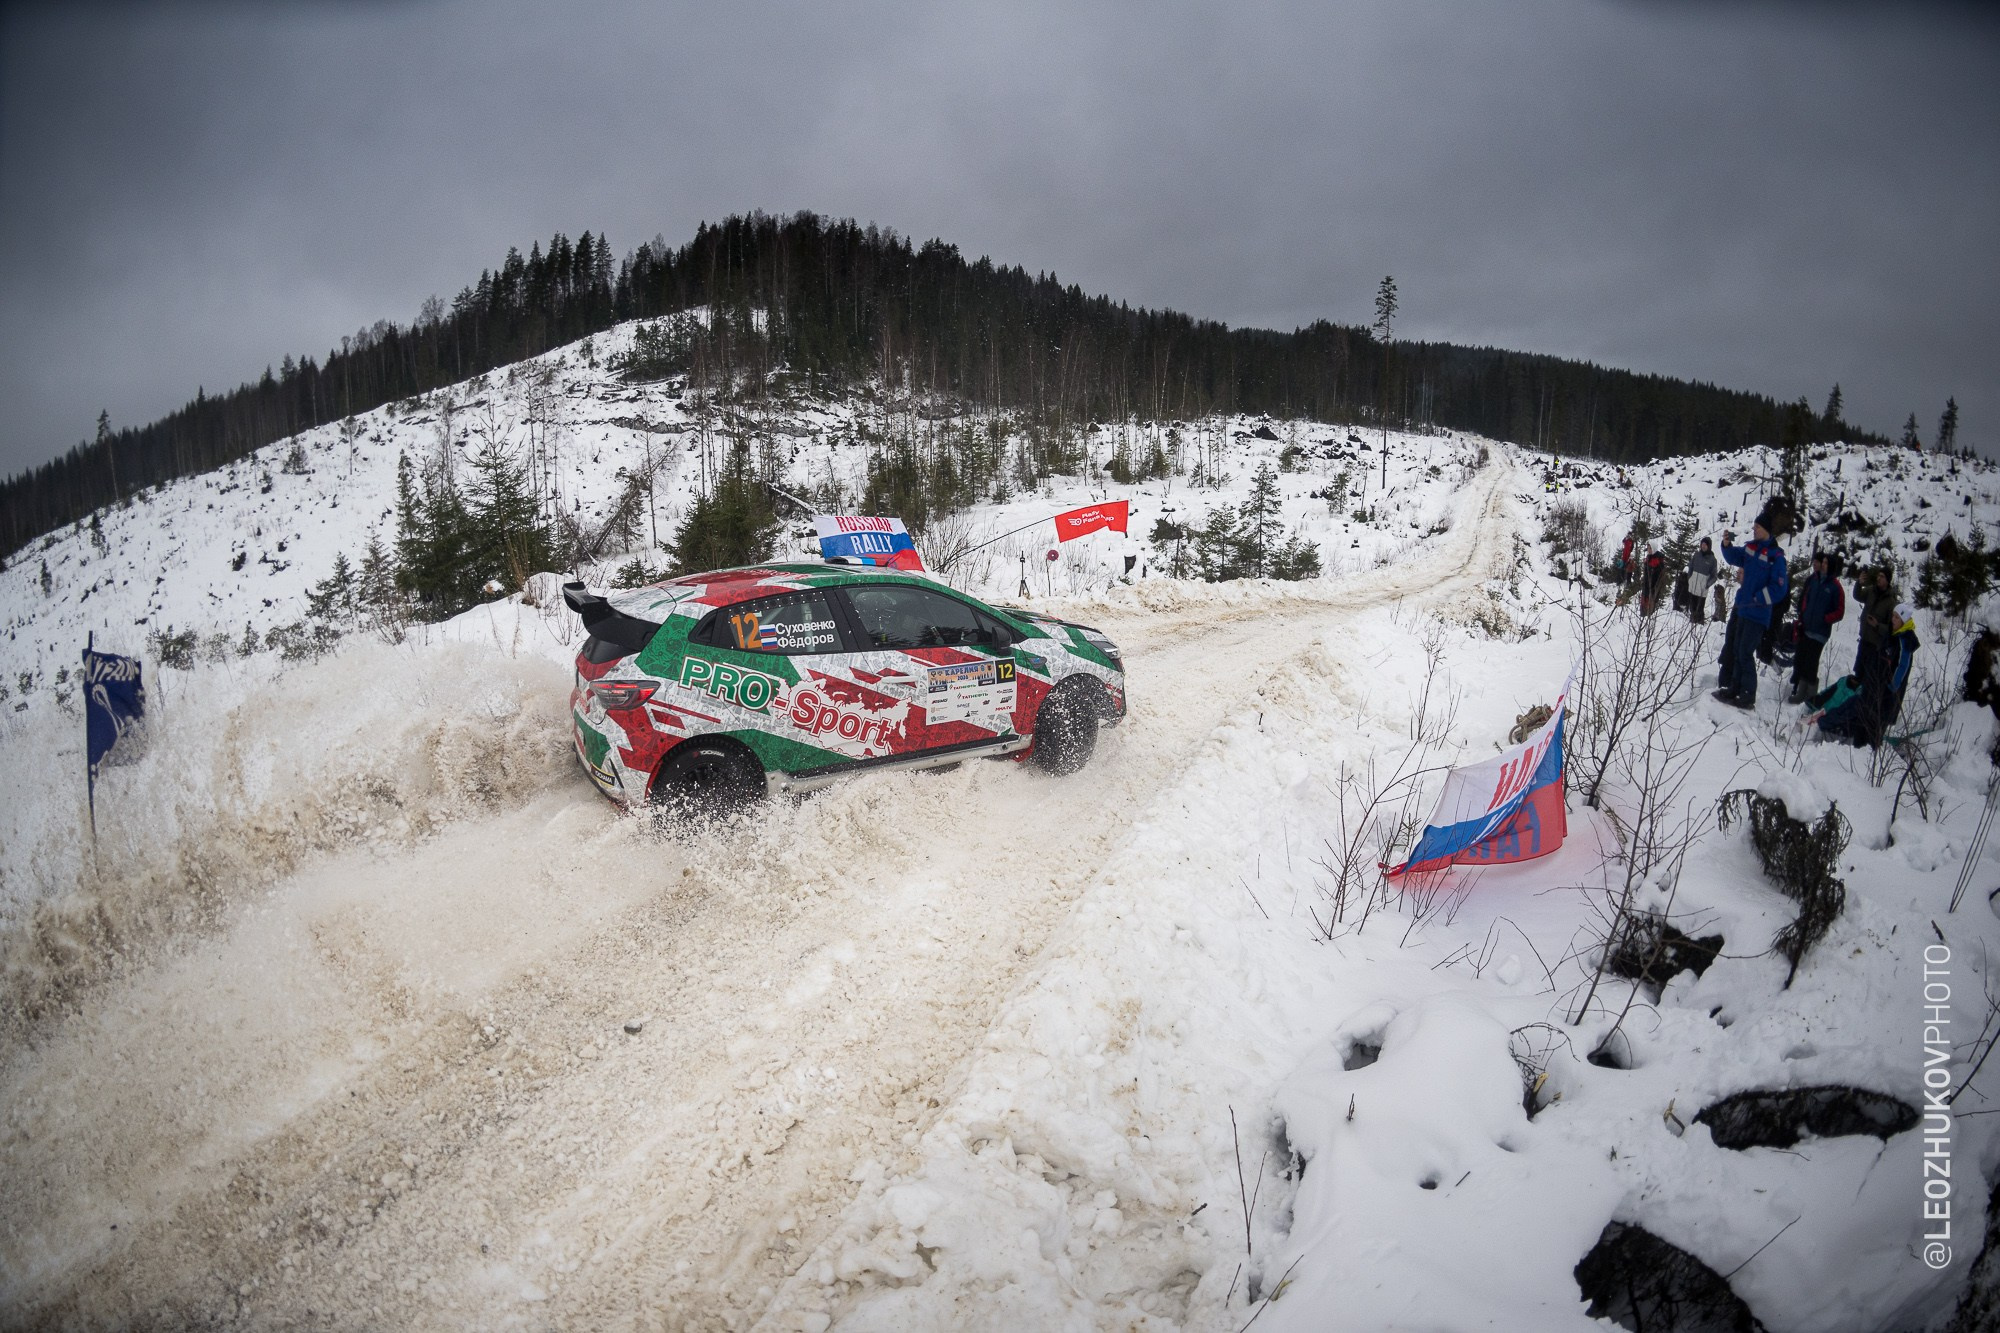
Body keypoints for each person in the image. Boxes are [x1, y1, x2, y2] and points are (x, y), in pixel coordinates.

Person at [1713, 507, 1790, 709]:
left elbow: (1779, 587)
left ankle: (1748, 693)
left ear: (1766, 529)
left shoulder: (1776, 556)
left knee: (1746, 652)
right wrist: (1726, 544)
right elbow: (1733, 557)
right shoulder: (1751, 548)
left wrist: (1759, 598)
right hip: (1743, 608)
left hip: (1758, 613)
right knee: (1738, 650)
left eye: (1757, 527)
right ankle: (1735, 688)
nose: (1754, 530)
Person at [1789, 552, 1847, 703]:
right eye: (1824, 562)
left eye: (1827, 563)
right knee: (1801, 658)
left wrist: (1825, 619)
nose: (1823, 565)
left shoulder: (1835, 587)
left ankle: (1811, 696)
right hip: (1807, 627)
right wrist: (1802, 616)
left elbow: (1839, 612)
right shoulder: (1814, 580)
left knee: (1811, 663)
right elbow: (1805, 600)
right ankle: (1801, 693)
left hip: (1820, 632)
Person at [1808, 673, 1868, 745]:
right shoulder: (1843, 682)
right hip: (1825, 715)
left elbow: (1845, 715)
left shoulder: (1861, 695)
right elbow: (1826, 693)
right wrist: (1815, 701)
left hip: (1836, 725)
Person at [1684, 538, 1718, 625]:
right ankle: (1691, 624)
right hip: (1692, 587)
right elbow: (1690, 566)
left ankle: (1699, 625)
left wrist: (1707, 585)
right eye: (1702, 544)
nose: (1703, 546)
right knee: (1692, 608)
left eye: (1705, 545)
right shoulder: (1696, 555)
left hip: (1702, 590)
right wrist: (1689, 578)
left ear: (1709, 546)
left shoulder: (1712, 560)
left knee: (1699, 610)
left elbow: (1714, 576)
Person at [1640, 545, 1667, 616]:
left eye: (1650, 548)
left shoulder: (1658, 559)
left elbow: (1657, 574)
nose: (1649, 550)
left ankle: (1647, 616)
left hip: (1653, 586)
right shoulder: (1649, 558)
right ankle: (1643, 615)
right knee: (1644, 602)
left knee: (1650, 604)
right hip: (1646, 584)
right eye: (1648, 548)